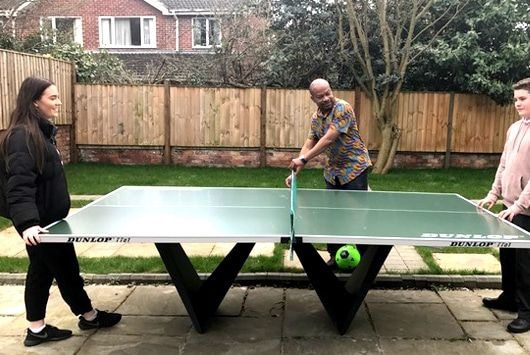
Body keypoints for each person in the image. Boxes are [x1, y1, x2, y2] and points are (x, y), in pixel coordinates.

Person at [0, 76, 122, 347]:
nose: (57, 102)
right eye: (52, 98)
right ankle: (43, 327)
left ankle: (80, 317)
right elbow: (19, 184)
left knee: (56, 269)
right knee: (50, 270)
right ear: (34, 102)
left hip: (52, 221)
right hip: (40, 224)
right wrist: (29, 223)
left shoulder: (40, 132)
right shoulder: (23, 136)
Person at [285, 78, 372, 268]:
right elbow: (310, 142)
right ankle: (334, 256)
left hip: (355, 169)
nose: (326, 98)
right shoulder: (316, 118)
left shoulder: (343, 108)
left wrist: (304, 159)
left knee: (356, 215)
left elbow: (328, 139)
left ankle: (365, 262)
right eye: (320, 96)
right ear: (312, 98)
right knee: (332, 215)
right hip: (333, 172)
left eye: (328, 93)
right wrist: (296, 172)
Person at [477, 77, 530, 333]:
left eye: (522, 99)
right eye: (515, 99)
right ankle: (509, 297)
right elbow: (504, 164)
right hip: (510, 205)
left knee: (525, 265)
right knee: (507, 256)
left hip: (526, 210)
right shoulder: (514, 128)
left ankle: (526, 313)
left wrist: (520, 206)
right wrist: (493, 194)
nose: (516, 104)